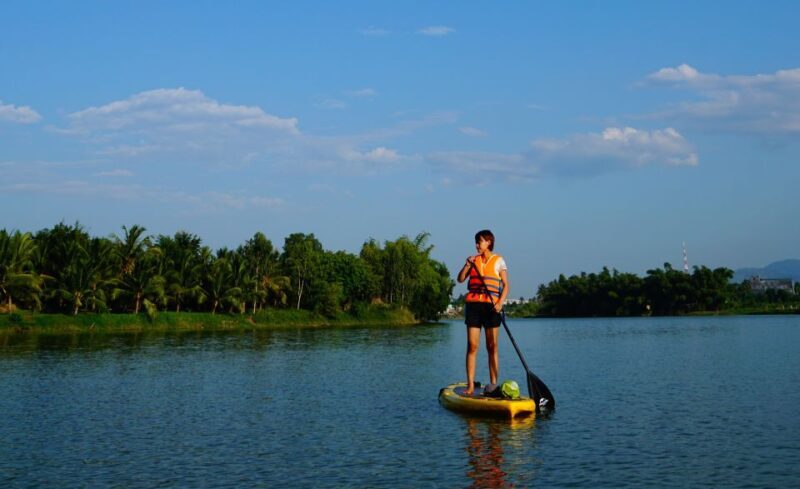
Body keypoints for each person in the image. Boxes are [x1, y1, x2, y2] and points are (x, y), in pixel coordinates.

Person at [456, 229, 510, 396]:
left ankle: (493, 385)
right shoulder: (473, 261)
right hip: (474, 307)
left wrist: (500, 303)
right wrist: (467, 265)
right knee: (472, 346)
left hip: (491, 307)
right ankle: (471, 385)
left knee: (492, 347)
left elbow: (506, 285)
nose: (477, 245)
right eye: (476, 242)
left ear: (489, 242)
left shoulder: (499, 261)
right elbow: (460, 279)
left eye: (479, 241)